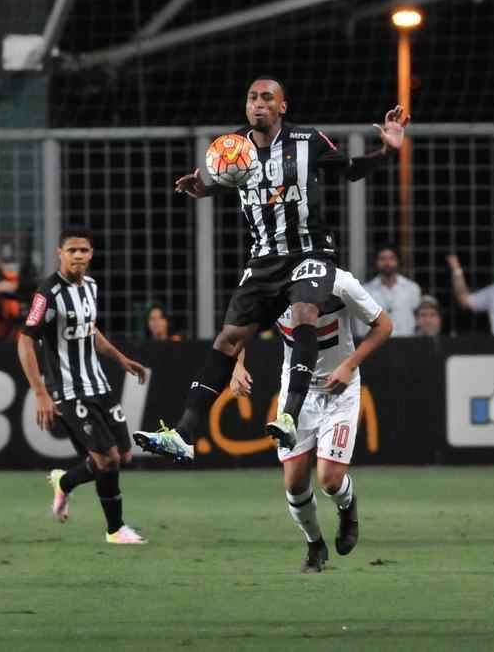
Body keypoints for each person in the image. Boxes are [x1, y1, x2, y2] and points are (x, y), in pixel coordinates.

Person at [135, 77, 407, 461]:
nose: (258, 104)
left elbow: (349, 169)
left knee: (303, 313)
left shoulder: (307, 141)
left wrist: (387, 150)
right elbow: (227, 180)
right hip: (264, 259)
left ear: (283, 107)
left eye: (267, 98)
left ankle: (290, 416)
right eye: (251, 98)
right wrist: (204, 187)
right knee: (228, 339)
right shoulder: (233, 147)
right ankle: (184, 434)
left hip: (311, 252)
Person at [228, 266, 392, 573]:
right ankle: (315, 545)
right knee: (294, 482)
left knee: (329, 479)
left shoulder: (341, 284)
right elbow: (241, 325)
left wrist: (349, 365)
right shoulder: (272, 283)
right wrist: (237, 365)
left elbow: (383, 325)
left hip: (340, 390)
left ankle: (348, 508)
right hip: (296, 392)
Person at [17, 229, 150, 544]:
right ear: (59, 253)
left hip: (99, 385)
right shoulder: (47, 294)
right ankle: (115, 530)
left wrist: (121, 359)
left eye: (84, 250)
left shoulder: (91, 286)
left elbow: (90, 330)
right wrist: (40, 393)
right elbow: (24, 341)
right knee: (106, 460)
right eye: (72, 250)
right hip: (68, 390)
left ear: (91, 254)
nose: (78, 256)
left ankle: (65, 482)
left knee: (123, 455)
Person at [352, 245, 421, 338]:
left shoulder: (412, 289)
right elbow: (360, 322)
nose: (387, 263)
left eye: (391, 258)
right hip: (376, 344)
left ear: (398, 261)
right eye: (382, 259)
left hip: (406, 343)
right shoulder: (365, 291)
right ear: (376, 262)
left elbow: (419, 319)